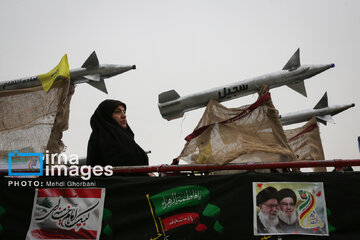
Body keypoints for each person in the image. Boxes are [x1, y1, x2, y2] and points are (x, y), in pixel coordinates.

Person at [87, 99, 149, 169]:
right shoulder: (105, 138)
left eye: (124, 112)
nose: (124, 116)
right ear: (107, 117)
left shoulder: (124, 138)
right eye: (117, 112)